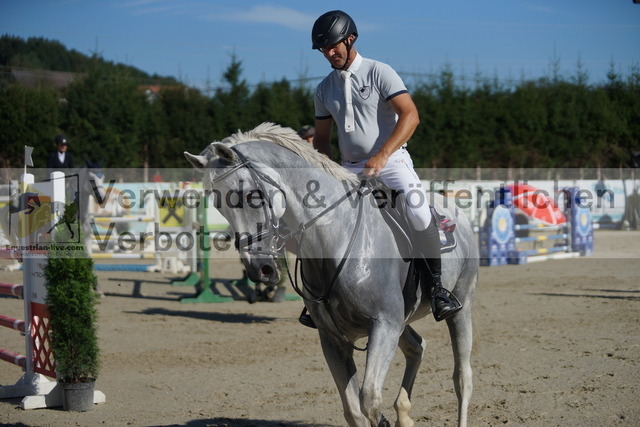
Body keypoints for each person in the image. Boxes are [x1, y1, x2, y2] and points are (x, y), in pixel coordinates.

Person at [299, 10, 461, 328]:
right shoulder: (324, 89)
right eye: (323, 49)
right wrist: (324, 171)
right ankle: (315, 297)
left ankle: (437, 289)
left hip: (391, 161)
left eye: (333, 46)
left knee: (418, 211)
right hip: (348, 169)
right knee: (315, 217)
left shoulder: (379, 72)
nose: (329, 54)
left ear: (350, 39)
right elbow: (322, 139)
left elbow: (410, 116)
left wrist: (383, 155)